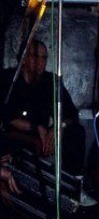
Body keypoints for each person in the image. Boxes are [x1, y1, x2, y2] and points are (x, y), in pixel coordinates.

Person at [0, 39, 85, 176]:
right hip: (16, 137)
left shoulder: (51, 81)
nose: (40, 61)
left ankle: (72, 182)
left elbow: (71, 114)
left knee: (76, 132)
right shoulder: (8, 78)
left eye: (44, 57)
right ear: (24, 58)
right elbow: (6, 116)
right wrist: (35, 126)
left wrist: (58, 127)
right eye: (35, 56)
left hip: (44, 137)